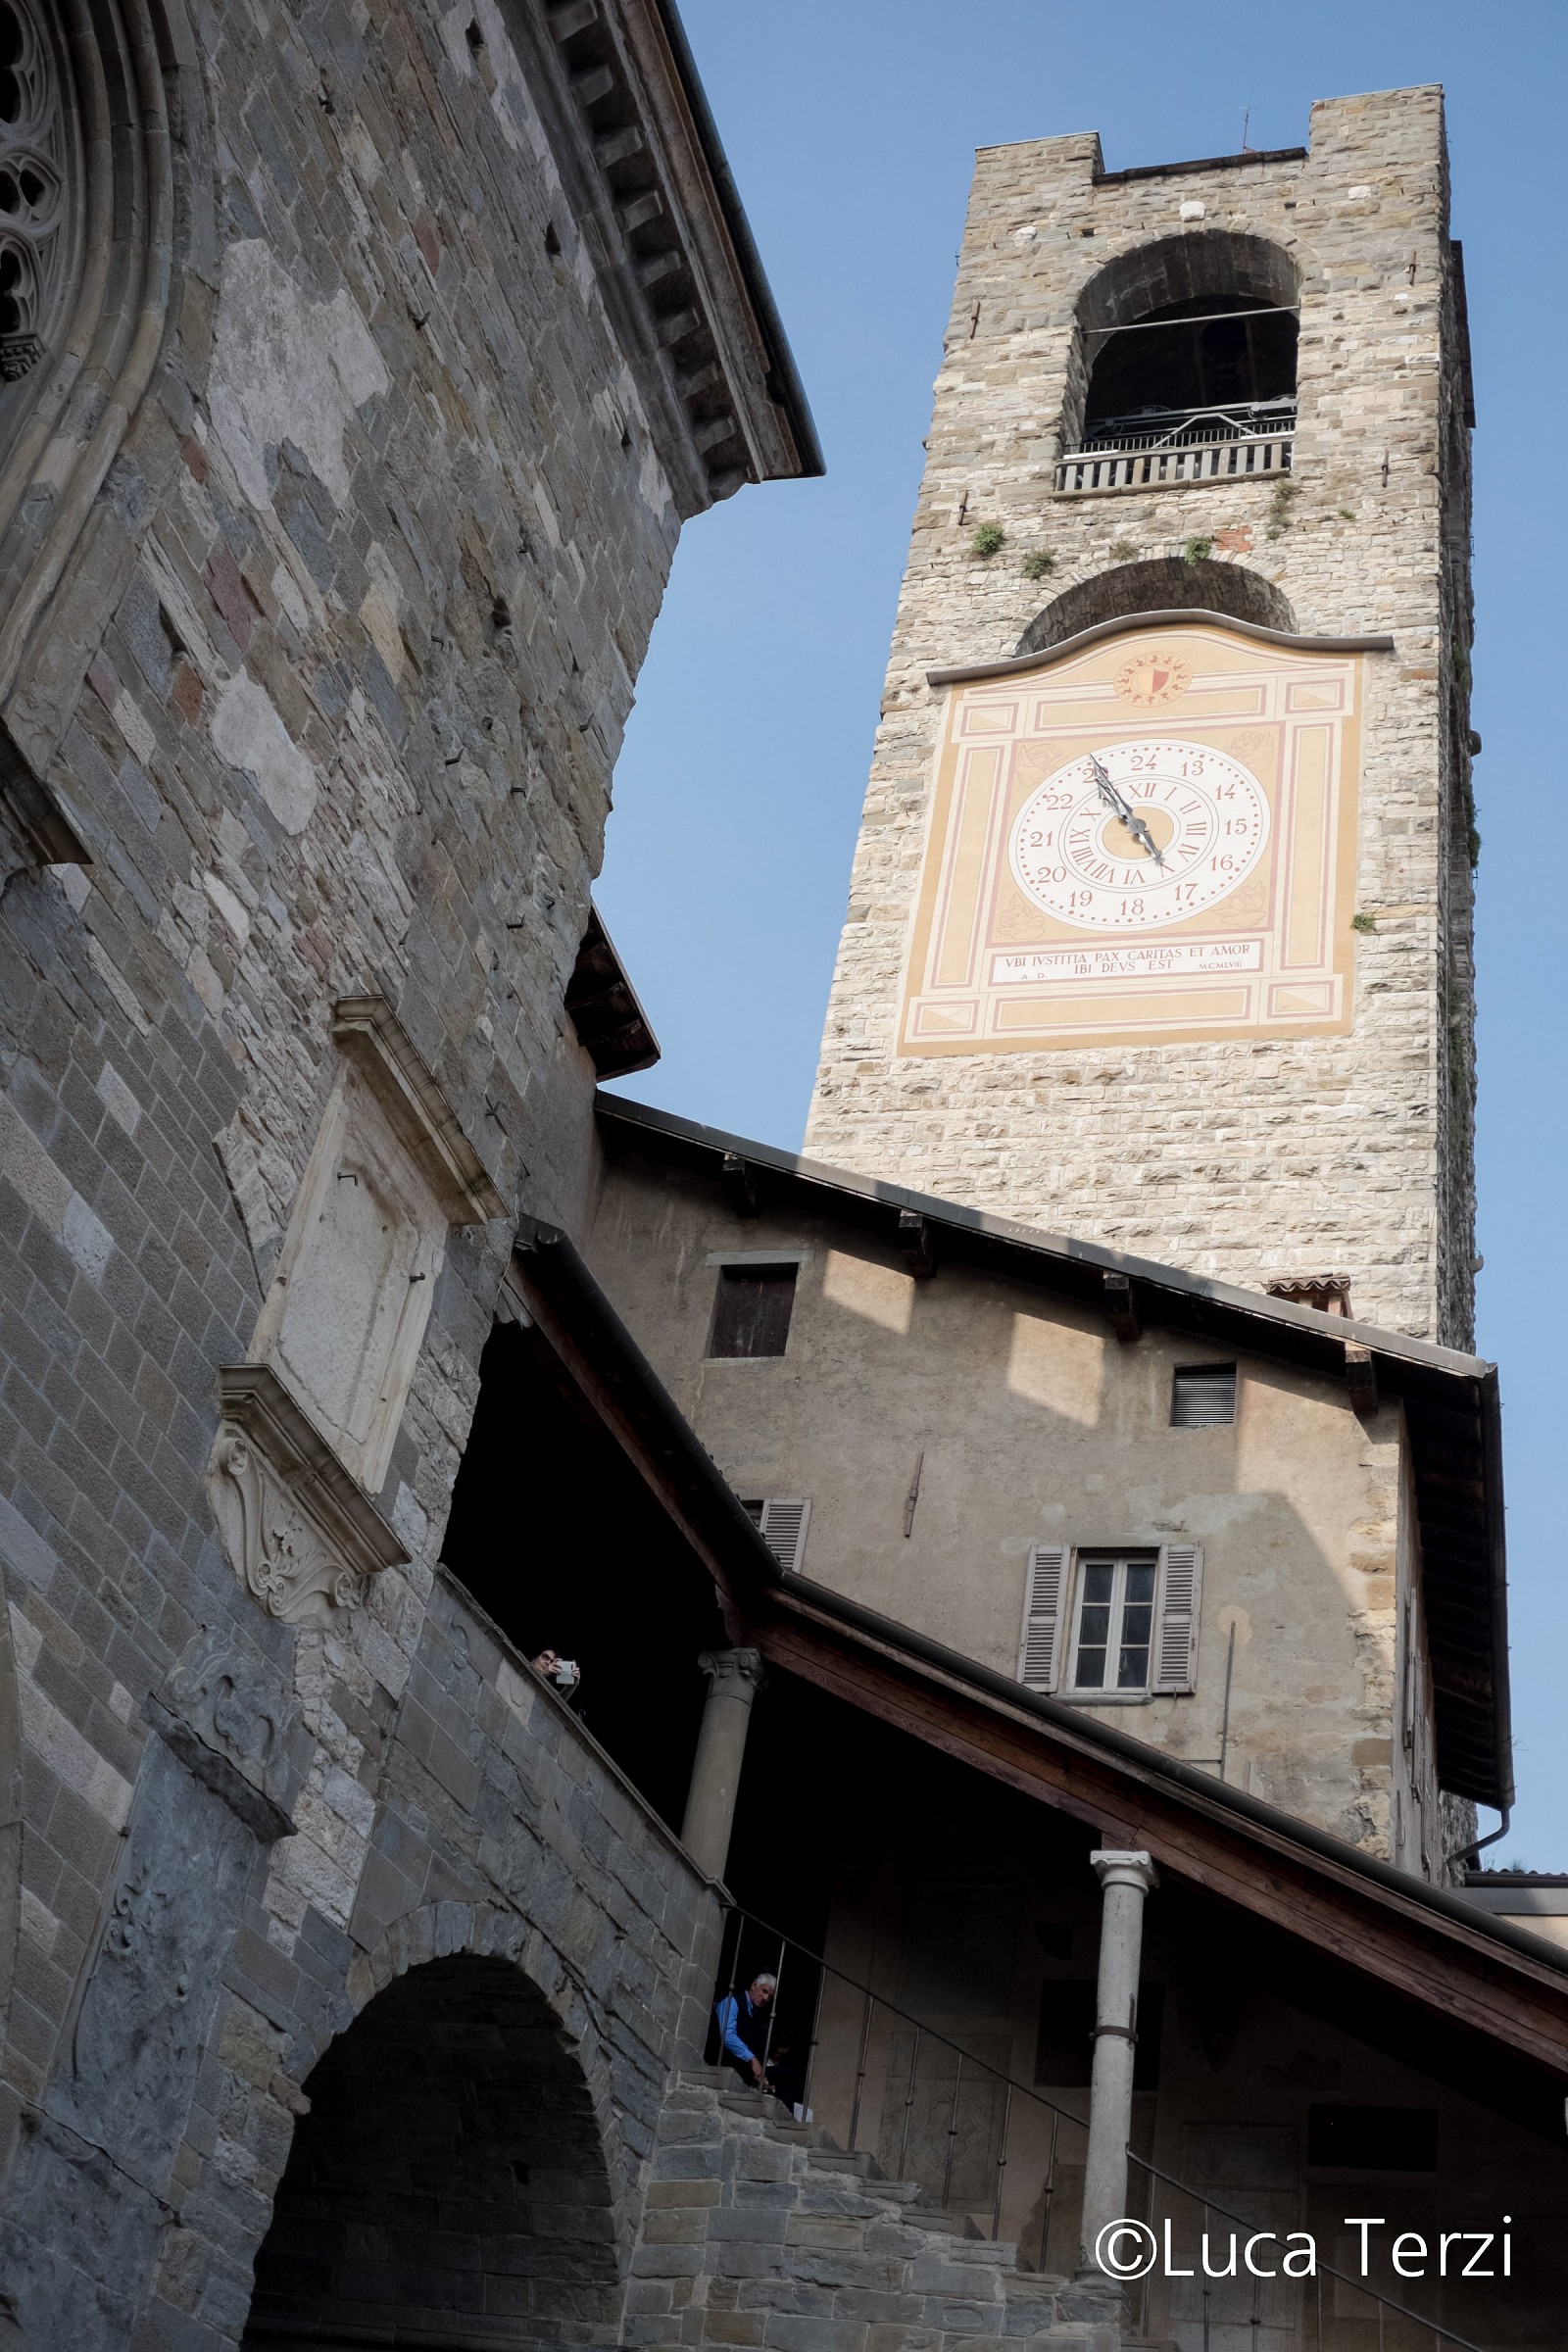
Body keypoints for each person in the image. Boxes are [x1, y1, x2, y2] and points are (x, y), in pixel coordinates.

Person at [714, 1973, 778, 2087]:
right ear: (754, 1985)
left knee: (786, 2075)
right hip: (719, 2061)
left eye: (770, 1997)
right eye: (764, 1991)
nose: (765, 1998)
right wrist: (752, 2059)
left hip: (742, 2068)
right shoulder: (732, 2002)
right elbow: (728, 2036)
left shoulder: (756, 2013)